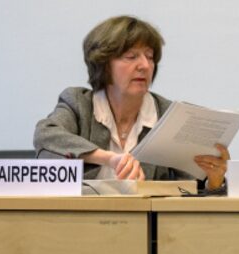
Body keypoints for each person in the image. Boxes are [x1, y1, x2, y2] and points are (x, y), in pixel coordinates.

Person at [33, 16, 229, 190]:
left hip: (148, 225)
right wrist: (109, 158)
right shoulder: (78, 103)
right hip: (80, 222)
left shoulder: (168, 114)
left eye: (150, 57)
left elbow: (190, 190)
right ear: (103, 64)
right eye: (131, 57)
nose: (144, 65)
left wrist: (214, 181)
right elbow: (46, 134)